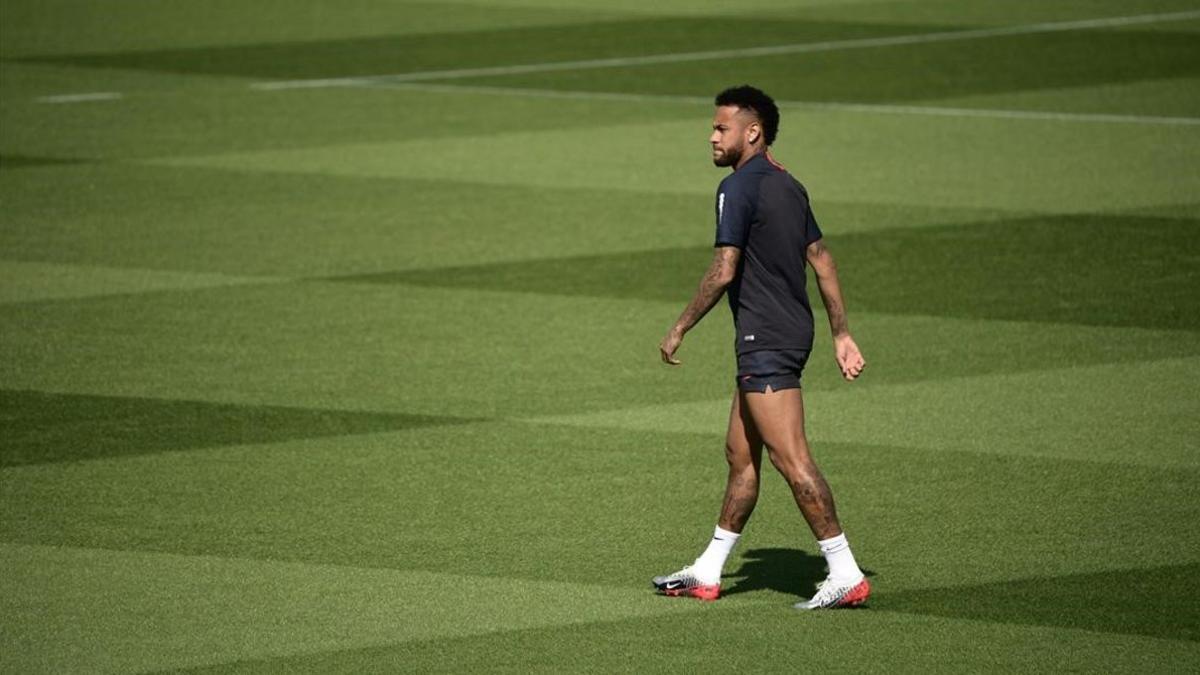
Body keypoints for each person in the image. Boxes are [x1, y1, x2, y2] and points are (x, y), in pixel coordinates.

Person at [653, 85, 870, 610]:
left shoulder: (739, 188)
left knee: (791, 459)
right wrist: (841, 332)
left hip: (765, 339)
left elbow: (724, 269)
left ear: (752, 132)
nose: (711, 136)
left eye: (721, 128)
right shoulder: (788, 184)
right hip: (784, 333)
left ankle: (845, 570)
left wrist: (680, 326)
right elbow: (821, 259)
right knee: (740, 456)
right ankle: (707, 570)